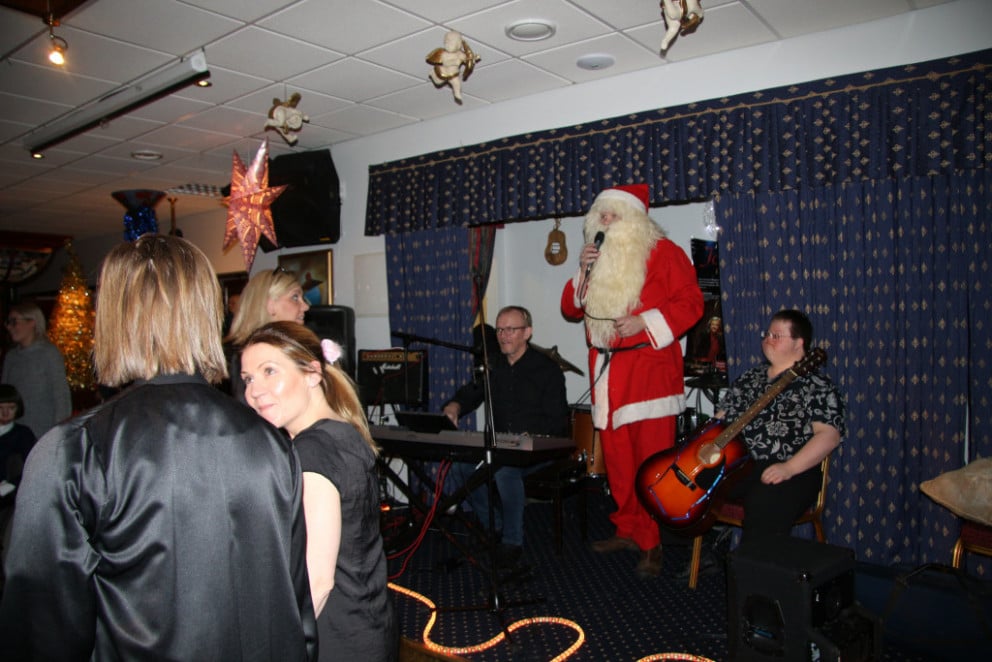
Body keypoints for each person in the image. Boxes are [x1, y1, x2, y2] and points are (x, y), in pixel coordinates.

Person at [0, 235, 317, 661]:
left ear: (114, 316)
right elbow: (297, 615)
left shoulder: (76, 450)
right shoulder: (270, 441)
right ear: (205, 313)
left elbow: (41, 634)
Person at [561, 184, 703, 578]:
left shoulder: (665, 253)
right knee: (619, 461)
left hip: (649, 372)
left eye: (613, 215)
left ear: (635, 220)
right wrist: (583, 269)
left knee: (651, 464)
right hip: (607, 374)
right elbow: (570, 308)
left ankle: (652, 542)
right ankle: (627, 529)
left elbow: (692, 303)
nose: (605, 221)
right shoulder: (596, 257)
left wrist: (645, 321)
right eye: (601, 215)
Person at [241, 322, 397, 662]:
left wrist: (273, 646)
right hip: (367, 623)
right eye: (248, 378)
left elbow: (318, 579)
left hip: (335, 637)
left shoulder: (312, 450)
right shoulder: (346, 431)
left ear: (312, 373)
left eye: (269, 371)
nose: (254, 390)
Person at [442, 306, 569, 567]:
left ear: (527, 333)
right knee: (461, 468)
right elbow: (472, 392)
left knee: (505, 470)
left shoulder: (547, 370)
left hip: (539, 449)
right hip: (503, 447)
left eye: (511, 329)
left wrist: (529, 437)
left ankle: (512, 542)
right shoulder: (494, 366)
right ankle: (495, 527)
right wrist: (455, 405)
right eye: (500, 330)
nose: (503, 335)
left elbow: (558, 422)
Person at [715, 309, 846, 548]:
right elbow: (717, 422)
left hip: (793, 470)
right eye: (767, 334)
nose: (768, 340)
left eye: (776, 336)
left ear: (799, 343)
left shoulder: (817, 385)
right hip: (738, 466)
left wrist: (789, 468)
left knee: (765, 499)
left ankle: (754, 568)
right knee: (675, 488)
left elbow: (829, 436)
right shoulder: (749, 378)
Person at [224, 266, 310, 399]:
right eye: (295, 297)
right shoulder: (242, 356)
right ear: (270, 304)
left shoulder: (290, 348)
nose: (306, 306)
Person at [2, 301, 72, 438]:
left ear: (32, 322)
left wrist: (58, 434)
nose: (10, 327)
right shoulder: (11, 356)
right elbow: (4, 396)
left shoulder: (49, 353)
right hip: (14, 433)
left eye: (14, 322)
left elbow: (61, 397)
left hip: (43, 432)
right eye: (8, 322)